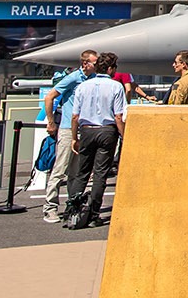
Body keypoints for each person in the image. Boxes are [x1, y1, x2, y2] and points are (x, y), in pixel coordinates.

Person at [63, 51, 126, 230]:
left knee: (82, 172)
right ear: (111, 68)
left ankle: (72, 209)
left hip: (87, 130)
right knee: (100, 174)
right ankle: (93, 213)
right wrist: (124, 136)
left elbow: (75, 116)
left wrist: (75, 138)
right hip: (107, 131)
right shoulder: (115, 86)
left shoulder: (84, 86)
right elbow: (118, 116)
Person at [42, 50, 98, 224]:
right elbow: (50, 96)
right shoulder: (73, 78)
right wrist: (51, 122)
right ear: (85, 64)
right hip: (67, 128)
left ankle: (71, 206)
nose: (96, 66)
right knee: (60, 169)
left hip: (84, 128)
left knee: (77, 171)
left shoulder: (95, 79)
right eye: (94, 63)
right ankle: (50, 207)